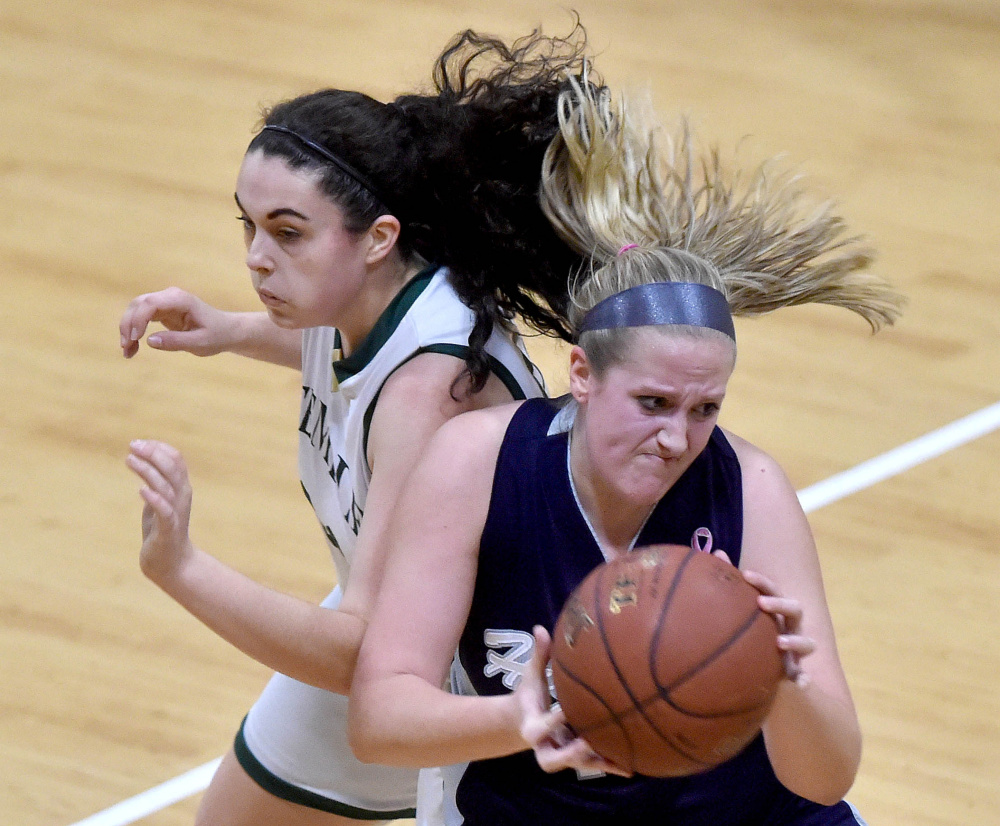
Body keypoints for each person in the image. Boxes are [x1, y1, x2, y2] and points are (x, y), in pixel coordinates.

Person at [348, 78, 904, 825]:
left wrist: (790, 683)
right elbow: (380, 717)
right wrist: (530, 717)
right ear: (581, 374)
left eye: (706, 409)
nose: (678, 437)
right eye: (652, 404)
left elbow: (826, 778)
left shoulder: (751, 487)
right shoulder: (478, 464)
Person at [122, 25, 599, 826]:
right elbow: (347, 357)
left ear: (379, 239)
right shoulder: (369, 301)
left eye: (286, 232)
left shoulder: (432, 393)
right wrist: (230, 329)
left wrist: (183, 569)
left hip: (478, 670)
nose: (255, 258)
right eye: (248, 225)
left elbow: (363, 654)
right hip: (396, 619)